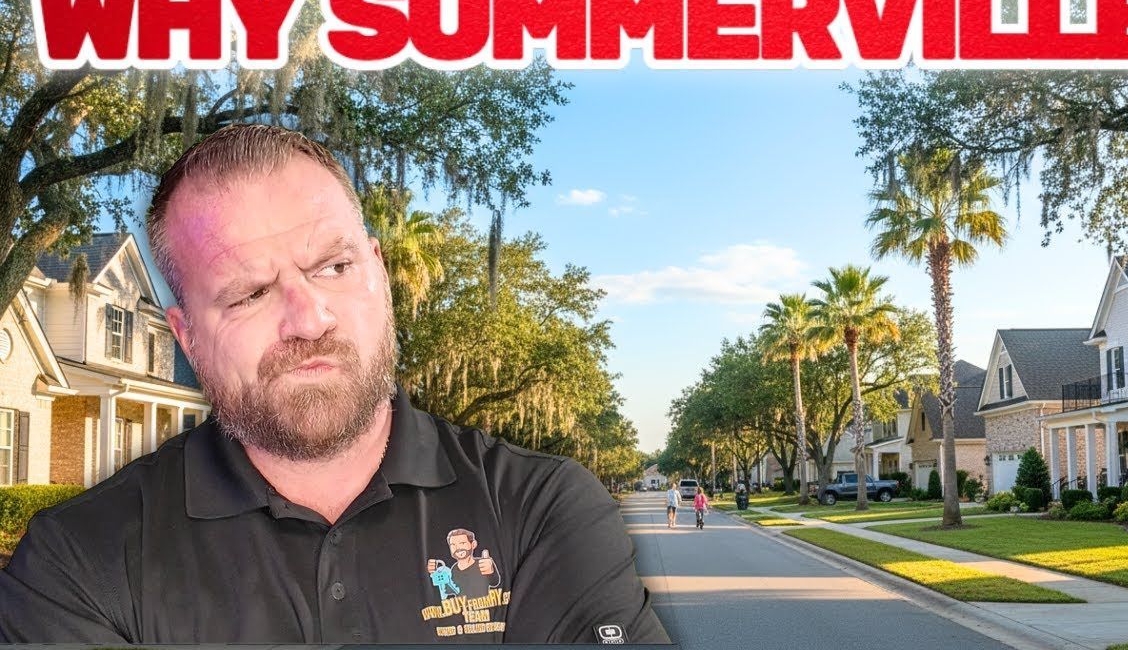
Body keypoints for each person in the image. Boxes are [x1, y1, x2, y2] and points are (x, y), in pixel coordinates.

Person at [0, 124, 669, 645]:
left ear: (378, 273)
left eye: (334, 266)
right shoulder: (79, 563)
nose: (309, 318)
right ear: (188, 338)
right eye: (250, 293)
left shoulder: (541, 509)